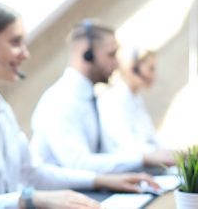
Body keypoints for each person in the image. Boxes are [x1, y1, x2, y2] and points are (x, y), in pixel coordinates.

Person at [0, 1, 160, 209]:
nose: (25, 54)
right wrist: (29, 199)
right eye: (15, 42)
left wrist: (102, 180)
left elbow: (34, 172)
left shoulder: (0, 109)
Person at [30, 19, 175, 174]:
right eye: (111, 54)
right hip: (56, 194)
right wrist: (143, 158)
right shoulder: (59, 100)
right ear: (87, 54)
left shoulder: (89, 97)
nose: (118, 64)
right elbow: (77, 163)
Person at [97, 47, 172, 156]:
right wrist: (164, 155)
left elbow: (151, 136)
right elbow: (127, 147)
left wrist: (175, 152)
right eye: (151, 69)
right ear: (133, 69)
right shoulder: (112, 100)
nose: (154, 75)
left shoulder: (135, 98)